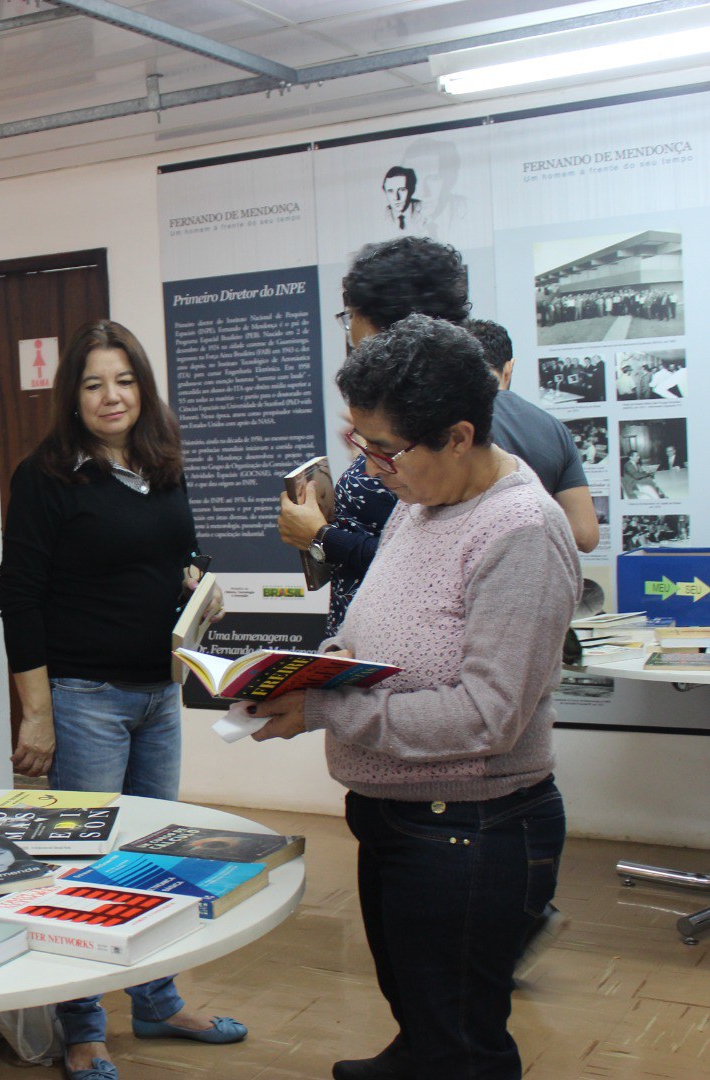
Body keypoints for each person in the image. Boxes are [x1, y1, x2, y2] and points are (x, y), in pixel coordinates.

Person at [254, 315, 579, 1080]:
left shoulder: (521, 530)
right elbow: (383, 614)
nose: (368, 467)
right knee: (421, 1004)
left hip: (469, 826)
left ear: (460, 436)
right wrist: (325, 665)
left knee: (463, 1044)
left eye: (384, 449)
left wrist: (327, 707)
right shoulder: (421, 495)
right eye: (358, 442)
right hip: (402, 814)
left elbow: (485, 717)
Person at [0, 319, 242, 1080]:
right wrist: (36, 712)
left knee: (150, 859)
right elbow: (20, 597)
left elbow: (185, 552)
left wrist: (202, 586)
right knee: (87, 863)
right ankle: (83, 1024)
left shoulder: (161, 463)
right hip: (85, 697)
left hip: (158, 694)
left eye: (125, 380)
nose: (112, 396)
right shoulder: (46, 476)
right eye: (95, 383)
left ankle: (158, 1001)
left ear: (144, 388)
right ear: (73, 395)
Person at [278, 235, 471, 633]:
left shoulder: (439, 433)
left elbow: (429, 566)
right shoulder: (421, 413)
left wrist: (322, 535)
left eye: (352, 317)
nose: (350, 334)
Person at [465, 319, 598, 552]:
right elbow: (586, 536)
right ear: (509, 367)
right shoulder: (553, 428)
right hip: (540, 572)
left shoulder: (453, 427)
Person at [381, 166, 423, 231]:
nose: (396, 197)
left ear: (411, 190)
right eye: (390, 191)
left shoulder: (424, 210)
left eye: (402, 190)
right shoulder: (382, 217)